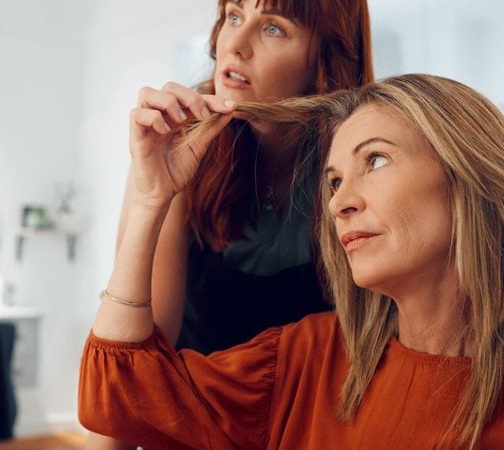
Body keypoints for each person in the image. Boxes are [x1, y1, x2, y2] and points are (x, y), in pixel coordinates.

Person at [78, 74, 504, 449]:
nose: (339, 202)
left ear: (468, 177)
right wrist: (150, 198)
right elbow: (115, 395)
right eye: (334, 181)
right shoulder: (305, 361)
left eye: (376, 159)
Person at [87, 0, 372, 447]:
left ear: (323, 62)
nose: (233, 45)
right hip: (194, 429)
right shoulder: (178, 144)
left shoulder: (356, 167)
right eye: (234, 17)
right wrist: (150, 194)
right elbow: (134, 361)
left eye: (273, 29)